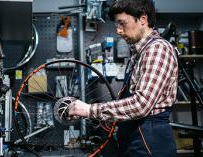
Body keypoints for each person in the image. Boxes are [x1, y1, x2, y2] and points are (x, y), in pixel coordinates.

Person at [60, 0, 178, 156]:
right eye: (117, 25)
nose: (119, 31)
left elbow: (141, 105)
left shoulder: (157, 49)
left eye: (122, 24)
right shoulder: (138, 53)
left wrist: (89, 109)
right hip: (135, 138)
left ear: (143, 19)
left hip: (150, 142)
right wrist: (110, 118)